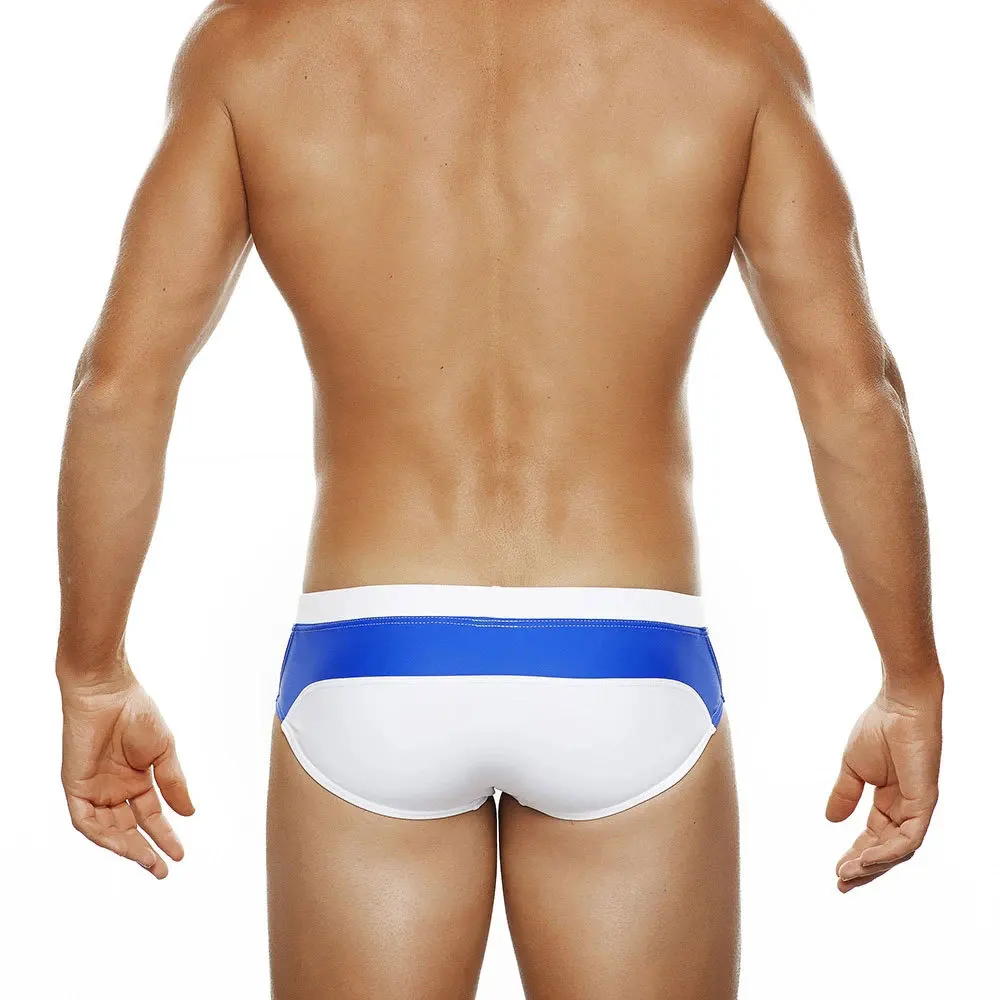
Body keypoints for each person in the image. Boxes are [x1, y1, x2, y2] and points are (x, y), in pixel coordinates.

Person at [54, 1, 944, 997]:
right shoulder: (727, 41)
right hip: (625, 656)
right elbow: (854, 394)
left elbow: (118, 387)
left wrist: (92, 671)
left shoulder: (255, 42)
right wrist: (910, 679)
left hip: (372, 656)